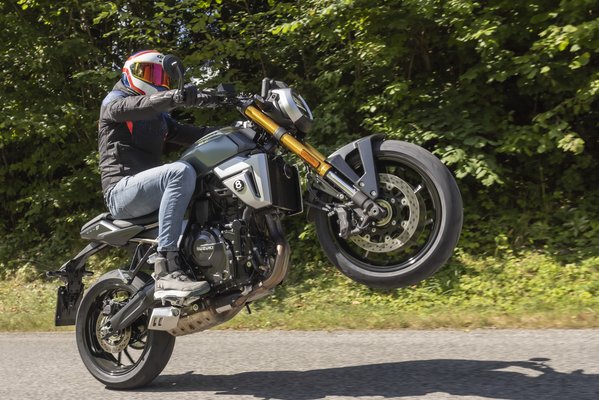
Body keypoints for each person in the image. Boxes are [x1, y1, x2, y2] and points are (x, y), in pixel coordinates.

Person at [98, 49, 217, 299]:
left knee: (205, 175)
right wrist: (175, 97)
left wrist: (237, 130)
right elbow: (141, 106)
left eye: (163, 77)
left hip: (147, 192)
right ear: (129, 73)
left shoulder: (159, 119)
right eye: (151, 73)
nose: (157, 81)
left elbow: (195, 134)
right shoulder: (114, 102)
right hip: (120, 193)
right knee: (180, 172)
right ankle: (166, 267)